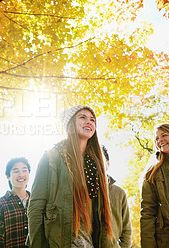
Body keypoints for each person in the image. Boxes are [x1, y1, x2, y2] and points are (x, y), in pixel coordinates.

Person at [28, 105, 115, 247]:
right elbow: (36, 206)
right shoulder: (52, 157)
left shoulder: (97, 164)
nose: (89, 122)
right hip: (60, 242)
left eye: (92, 120)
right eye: (82, 117)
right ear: (70, 125)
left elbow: (102, 217)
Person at [0, 157, 31, 247]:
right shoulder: (2, 204)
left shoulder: (37, 201)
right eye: (16, 171)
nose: (21, 174)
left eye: (24, 170)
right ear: (8, 177)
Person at [102, 145, 132, 247]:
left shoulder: (119, 193)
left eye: (100, 158)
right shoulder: (82, 191)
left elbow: (127, 230)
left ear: (108, 164)